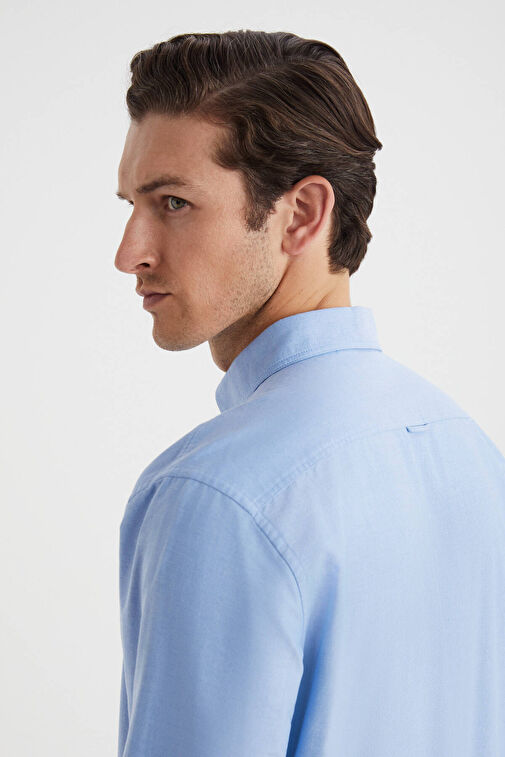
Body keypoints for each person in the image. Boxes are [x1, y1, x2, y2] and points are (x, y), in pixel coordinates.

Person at [114, 30, 505, 757]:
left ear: (300, 214)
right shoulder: (473, 456)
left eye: (172, 202)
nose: (128, 252)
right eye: (131, 203)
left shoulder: (216, 494)